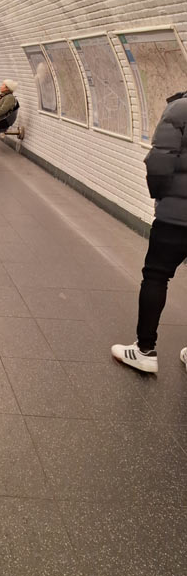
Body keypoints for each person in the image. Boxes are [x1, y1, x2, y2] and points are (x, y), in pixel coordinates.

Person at [112, 90, 187, 374]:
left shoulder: (180, 109)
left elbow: (159, 162)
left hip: (175, 219)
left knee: (156, 276)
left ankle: (144, 351)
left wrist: (162, 198)